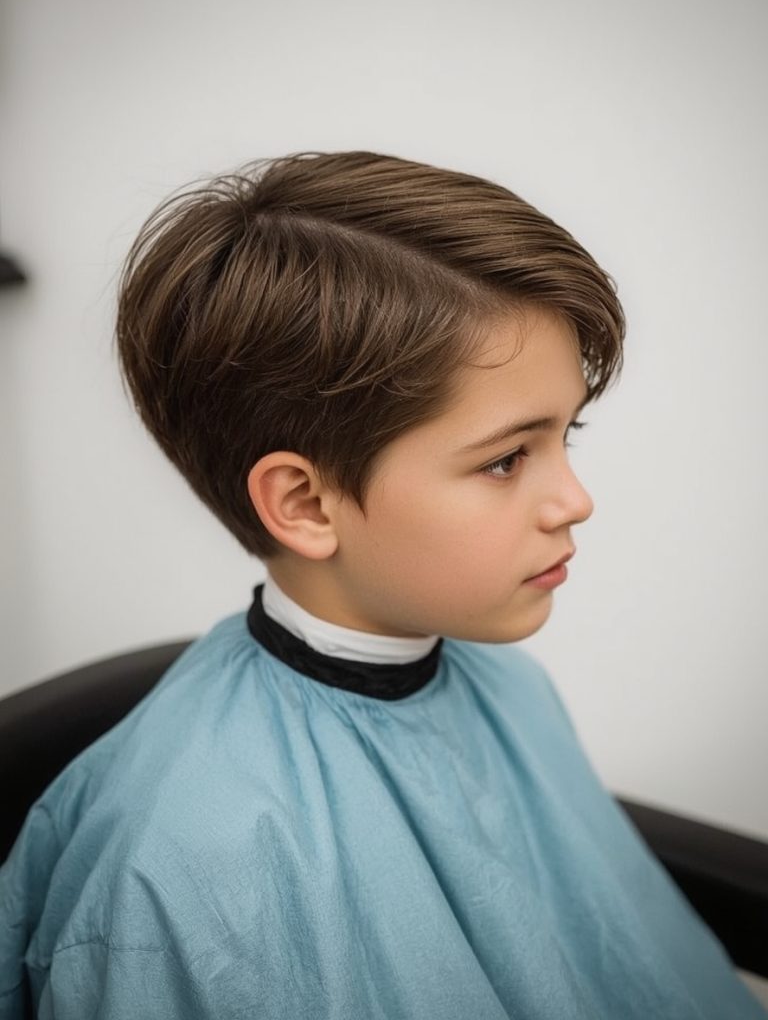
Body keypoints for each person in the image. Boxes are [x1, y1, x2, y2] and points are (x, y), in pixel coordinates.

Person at [1, 152, 764, 1019]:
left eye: (567, 437)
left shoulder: (505, 682)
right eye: (508, 458)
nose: (576, 502)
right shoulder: (179, 869)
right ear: (305, 503)